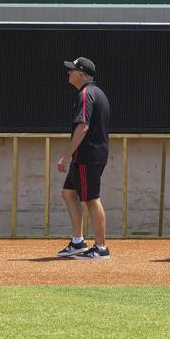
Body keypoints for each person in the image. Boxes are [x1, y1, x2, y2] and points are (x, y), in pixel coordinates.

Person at [56, 57, 111, 259]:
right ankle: (78, 241)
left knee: (91, 199)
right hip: (90, 154)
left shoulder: (86, 94)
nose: (68, 73)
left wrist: (66, 155)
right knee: (69, 193)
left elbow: (83, 126)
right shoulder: (98, 93)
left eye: (71, 70)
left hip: (88, 155)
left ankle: (101, 248)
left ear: (81, 74)